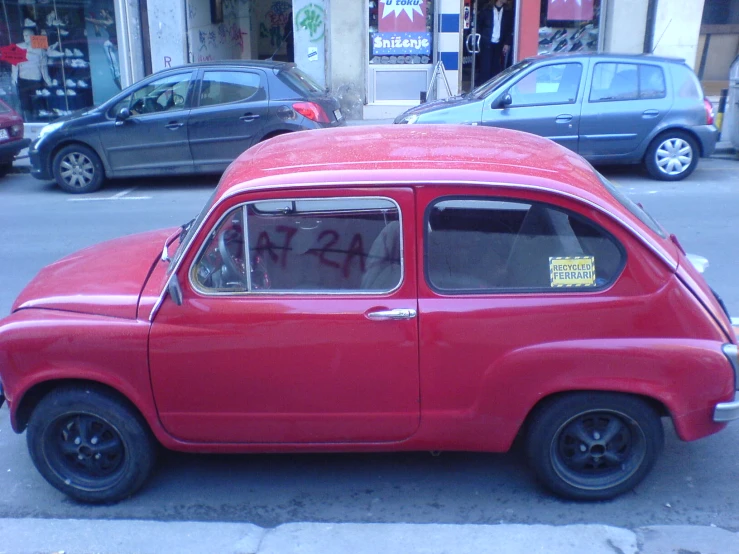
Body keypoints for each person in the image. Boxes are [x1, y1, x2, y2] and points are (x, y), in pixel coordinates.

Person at [11, 27, 51, 120]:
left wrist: (47, 79)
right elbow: (14, 65)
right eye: (24, 35)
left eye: (27, 35)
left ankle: (39, 119)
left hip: (35, 79)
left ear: (33, 36)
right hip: (23, 79)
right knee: (25, 102)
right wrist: (14, 78)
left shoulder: (40, 48)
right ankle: (28, 121)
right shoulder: (17, 47)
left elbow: (43, 66)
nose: (25, 37)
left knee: (37, 101)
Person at [477, 0, 513, 84]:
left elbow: (509, 29)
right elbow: (479, 25)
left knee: (496, 68)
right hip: (486, 43)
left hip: (499, 43)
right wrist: (482, 38)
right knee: (485, 68)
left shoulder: (507, 12)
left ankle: (493, 89)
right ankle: (483, 88)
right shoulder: (487, 10)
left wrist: (507, 43)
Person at [86, 8, 120, 89]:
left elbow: (98, 22)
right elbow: (98, 27)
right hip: (112, 45)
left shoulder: (111, 22)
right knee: (115, 73)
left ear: (107, 11)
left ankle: (124, 91)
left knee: (115, 72)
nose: (101, 15)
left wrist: (88, 19)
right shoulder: (108, 23)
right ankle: (123, 90)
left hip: (113, 45)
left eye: (102, 12)